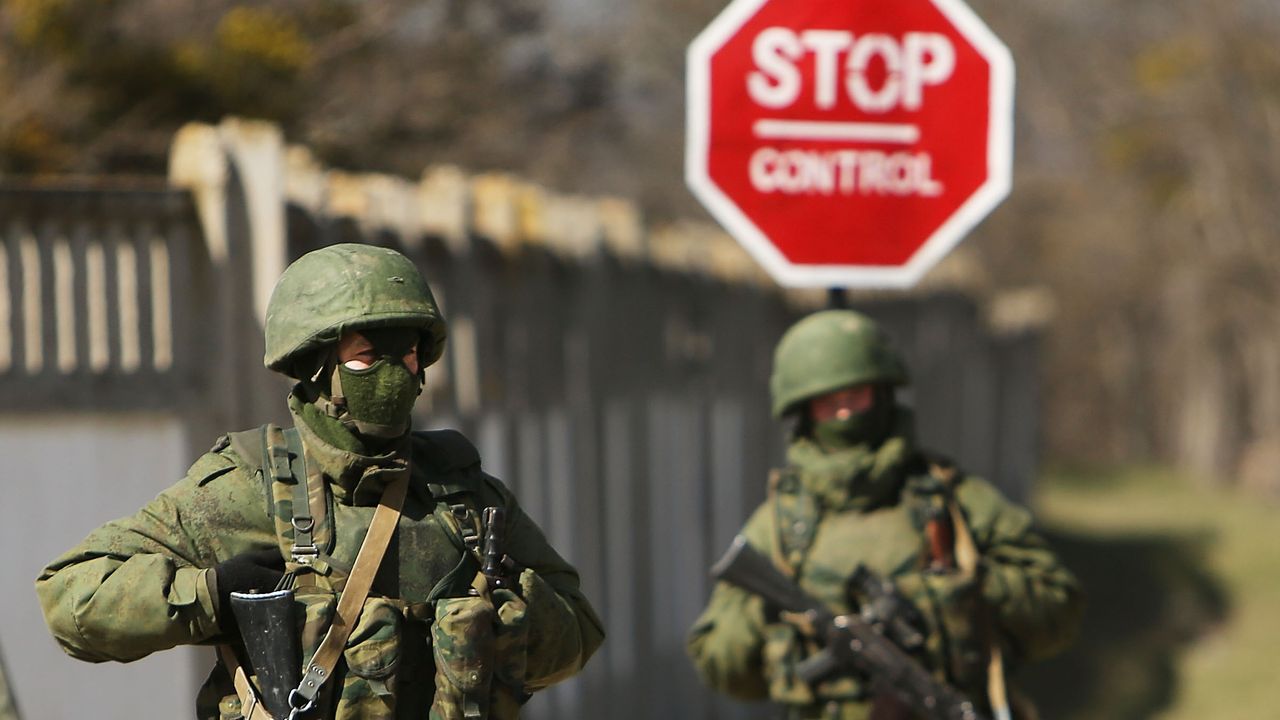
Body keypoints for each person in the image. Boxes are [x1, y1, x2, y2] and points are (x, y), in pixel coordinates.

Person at [36, 243, 604, 720]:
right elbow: (72, 597)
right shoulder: (249, 485)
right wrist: (209, 596)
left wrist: (506, 611)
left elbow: (578, 635)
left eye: (405, 353)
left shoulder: (459, 494)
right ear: (315, 366)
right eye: (364, 357)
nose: (393, 374)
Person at [687, 309, 1082, 720]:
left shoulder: (954, 504)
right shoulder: (781, 528)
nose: (844, 413)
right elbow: (722, 669)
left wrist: (968, 590)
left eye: (855, 396)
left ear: (883, 393)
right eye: (828, 402)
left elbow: (1060, 612)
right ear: (803, 412)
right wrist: (766, 615)